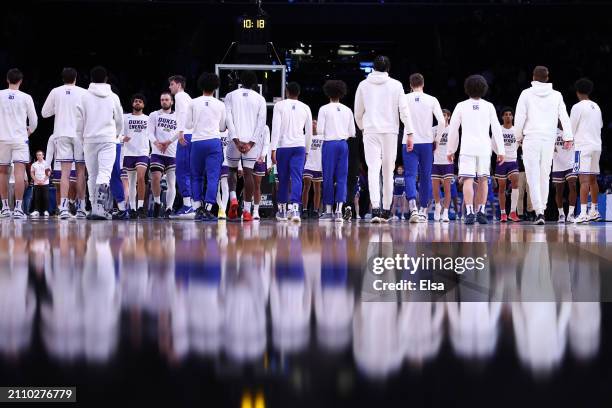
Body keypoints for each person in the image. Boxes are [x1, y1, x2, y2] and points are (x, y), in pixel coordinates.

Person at [354, 55, 414, 223]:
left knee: (373, 169)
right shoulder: (396, 85)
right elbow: (404, 111)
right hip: (390, 132)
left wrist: (364, 128)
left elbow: (358, 112)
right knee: (388, 171)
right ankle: (386, 210)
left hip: (370, 131)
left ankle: (375, 208)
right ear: (388, 69)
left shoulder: (363, 85)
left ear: (373, 67)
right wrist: (409, 133)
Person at [514, 66, 573, 225]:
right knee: (544, 175)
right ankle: (543, 209)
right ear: (547, 78)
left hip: (531, 138)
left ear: (533, 77)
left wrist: (518, 137)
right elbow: (564, 116)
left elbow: (520, 117)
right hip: (548, 139)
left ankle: (539, 211)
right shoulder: (557, 95)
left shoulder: (526, 94)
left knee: (532, 176)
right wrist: (568, 136)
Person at [446, 75, 505, 225]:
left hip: (467, 148)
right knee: (484, 180)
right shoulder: (489, 106)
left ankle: (470, 212)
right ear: (484, 88)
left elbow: (453, 130)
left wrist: (450, 150)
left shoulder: (461, 105)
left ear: (467, 88)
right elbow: (497, 130)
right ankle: (481, 211)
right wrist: (500, 151)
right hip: (484, 149)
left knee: (468, 180)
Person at [76, 66, 123, 220]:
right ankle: (99, 208)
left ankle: (93, 206)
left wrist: (82, 139)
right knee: (104, 173)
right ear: (106, 79)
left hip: (89, 140)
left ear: (91, 78)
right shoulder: (113, 96)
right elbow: (119, 120)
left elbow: (79, 121)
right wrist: (115, 134)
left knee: (93, 175)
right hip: (108, 139)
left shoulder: (83, 96)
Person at [41, 67, 87, 219]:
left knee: (65, 173)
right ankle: (81, 208)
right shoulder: (83, 92)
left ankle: (64, 208)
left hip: (61, 133)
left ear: (62, 78)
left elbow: (45, 113)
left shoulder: (56, 91)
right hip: (79, 134)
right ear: (76, 78)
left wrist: (60, 108)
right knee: (81, 171)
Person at [225, 71, 267, 222]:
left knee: (231, 170)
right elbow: (261, 123)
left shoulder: (230, 95)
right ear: (255, 84)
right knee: (249, 174)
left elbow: (228, 119)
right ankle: (247, 211)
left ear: (240, 82)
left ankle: (234, 198)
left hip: (233, 141)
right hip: (251, 143)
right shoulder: (260, 98)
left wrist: (236, 140)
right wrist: (251, 143)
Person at [403, 73, 445, 223]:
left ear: (410, 85)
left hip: (409, 140)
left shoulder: (404, 98)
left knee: (409, 175)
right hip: (427, 142)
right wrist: (437, 140)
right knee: (426, 176)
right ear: (423, 84)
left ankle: (412, 206)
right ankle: (423, 211)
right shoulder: (431, 99)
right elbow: (441, 122)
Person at [271, 81, 313, 223]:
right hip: (299, 147)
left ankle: (282, 211)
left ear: (286, 91)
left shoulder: (279, 105)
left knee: (283, 179)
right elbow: (309, 132)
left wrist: (273, 148)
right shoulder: (305, 107)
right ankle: (295, 209)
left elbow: (275, 128)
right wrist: (307, 149)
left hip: (283, 147)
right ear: (298, 93)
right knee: (296, 178)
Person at [187, 72, 226, 221]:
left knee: (196, 176)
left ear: (200, 85)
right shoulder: (220, 104)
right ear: (216, 87)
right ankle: (208, 209)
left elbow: (188, 124)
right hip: (213, 142)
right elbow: (223, 127)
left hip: (197, 141)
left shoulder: (193, 102)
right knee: (213, 177)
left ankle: (197, 208)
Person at [0, 68, 38, 219]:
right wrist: (28, 132)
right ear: (21, 81)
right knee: (19, 174)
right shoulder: (26, 97)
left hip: (2, 138)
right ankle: (18, 209)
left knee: (2, 173)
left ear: (7, 80)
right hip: (20, 139)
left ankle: (4, 208)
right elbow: (34, 120)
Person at [316, 80, 356, 223]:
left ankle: (328, 211)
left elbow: (319, 130)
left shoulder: (324, 109)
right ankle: (339, 210)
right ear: (341, 93)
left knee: (328, 177)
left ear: (328, 93)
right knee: (342, 177)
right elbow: (352, 132)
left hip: (330, 144)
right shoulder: (347, 110)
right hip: (343, 144)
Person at [570, 78, 603, 224]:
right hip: (596, 146)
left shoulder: (577, 107)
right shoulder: (596, 106)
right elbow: (600, 125)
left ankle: (583, 213)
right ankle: (594, 211)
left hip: (582, 147)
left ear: (577, 92)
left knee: (583, 180)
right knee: (592, 179)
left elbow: (571, 129)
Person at [147, 91, 178, 218]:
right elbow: (149, 133)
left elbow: (180, 132)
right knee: (155, 178)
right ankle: (157, 202)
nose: (164, 101)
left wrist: (168, 142)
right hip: (157, 152)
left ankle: (169, 208)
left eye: (166, 99)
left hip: (172, 153)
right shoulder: (154, 114)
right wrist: (157, 143)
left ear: (172, 102)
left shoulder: (178, 116)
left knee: (171, 183)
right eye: (162, 100)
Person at [168, 74, 195, 219]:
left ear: (178, 85)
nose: (170, 87)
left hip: (186, 136)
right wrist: (170, 140)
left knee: (182, 171)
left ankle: (188, 206)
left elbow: (182, 116)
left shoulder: (179, 97)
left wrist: (180, 133)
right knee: (188, 172)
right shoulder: (188, 97)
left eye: (171, 84)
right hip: (191, 135)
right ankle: (191, 204)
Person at [122, 93, 150, 218]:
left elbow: (153, 136)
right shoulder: (125, 118)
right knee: (131, 183)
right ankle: (132, 208)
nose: (137, 103)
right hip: (128, 152)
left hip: (142, 152)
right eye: (135, 101)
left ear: (143, 105)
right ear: (132, 104)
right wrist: (122, 137)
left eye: (140, 101)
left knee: (140, 178)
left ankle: (140, 207)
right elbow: (117, 133)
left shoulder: (148, 119)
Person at [493, 107, 520, 222]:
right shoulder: (498, 129)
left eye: (510, 114)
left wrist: (513, 152)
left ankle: (512, 212)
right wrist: (499, 153)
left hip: (513, 160)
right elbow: (493, 143)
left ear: (512, 117)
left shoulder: (516, 130)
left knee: (515, 182)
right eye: (506, 114)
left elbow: (518, 143)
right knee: (502, 188)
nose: (508, 116)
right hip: (501, 161)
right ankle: (503, 213)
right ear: (502, 117)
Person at [552, 123, 577, 223]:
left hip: (571, 163)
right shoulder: (553, 131)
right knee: (559, 190)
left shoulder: (573, 131)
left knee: (573, 185)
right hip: (558, 164)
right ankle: (561, 214)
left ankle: (571, 214)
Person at [431, 109, 452, 222]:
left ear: (448, 117)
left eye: (444, 115)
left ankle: (446, 213)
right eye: (441, 115)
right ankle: (438, 207)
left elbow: (456, 143)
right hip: (435, 162)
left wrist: (452, 153)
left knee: (447, 189)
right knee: (435, 189)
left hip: (447, 162)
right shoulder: (433, 129)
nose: (442, 117)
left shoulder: (452, 129)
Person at [302, 120, 323, 219]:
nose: (314, 124)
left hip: (319, 166)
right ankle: (304, 210)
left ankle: (315, 210)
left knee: (317, 189)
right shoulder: (306, 136)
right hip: (308, 165)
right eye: (312, 123)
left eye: (315, 122)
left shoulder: (322, 137)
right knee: (306, 187)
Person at [252, 124, 271, 220]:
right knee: (246, 185)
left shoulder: (265, 127)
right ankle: (246, 210)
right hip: (248, 159)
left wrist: (263, 155)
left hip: (260, 160)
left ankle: (255, 211)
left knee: (257, 185)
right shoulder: (247, 124)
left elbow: (267, 143)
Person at [30, 150, 50, 218]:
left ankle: (46, 210)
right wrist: (37, 180)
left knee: (46, 197)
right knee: (37, 197)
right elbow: (32, 173)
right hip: (36, 183)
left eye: (40, 154)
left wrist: (43, 181)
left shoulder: (47, 163)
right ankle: (36, 210)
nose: (39, 156)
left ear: (43, 156)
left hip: (45, 183)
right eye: (37, 155)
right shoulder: (34, 164)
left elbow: (48, 173)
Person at [217, 130, 230, 220]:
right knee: (215, 188)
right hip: (215, 163)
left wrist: (239, 166)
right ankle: (221, 208)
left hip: (226, 163)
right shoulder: (214, 131)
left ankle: (223, 210)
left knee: (225, 187)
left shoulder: (230, 132)